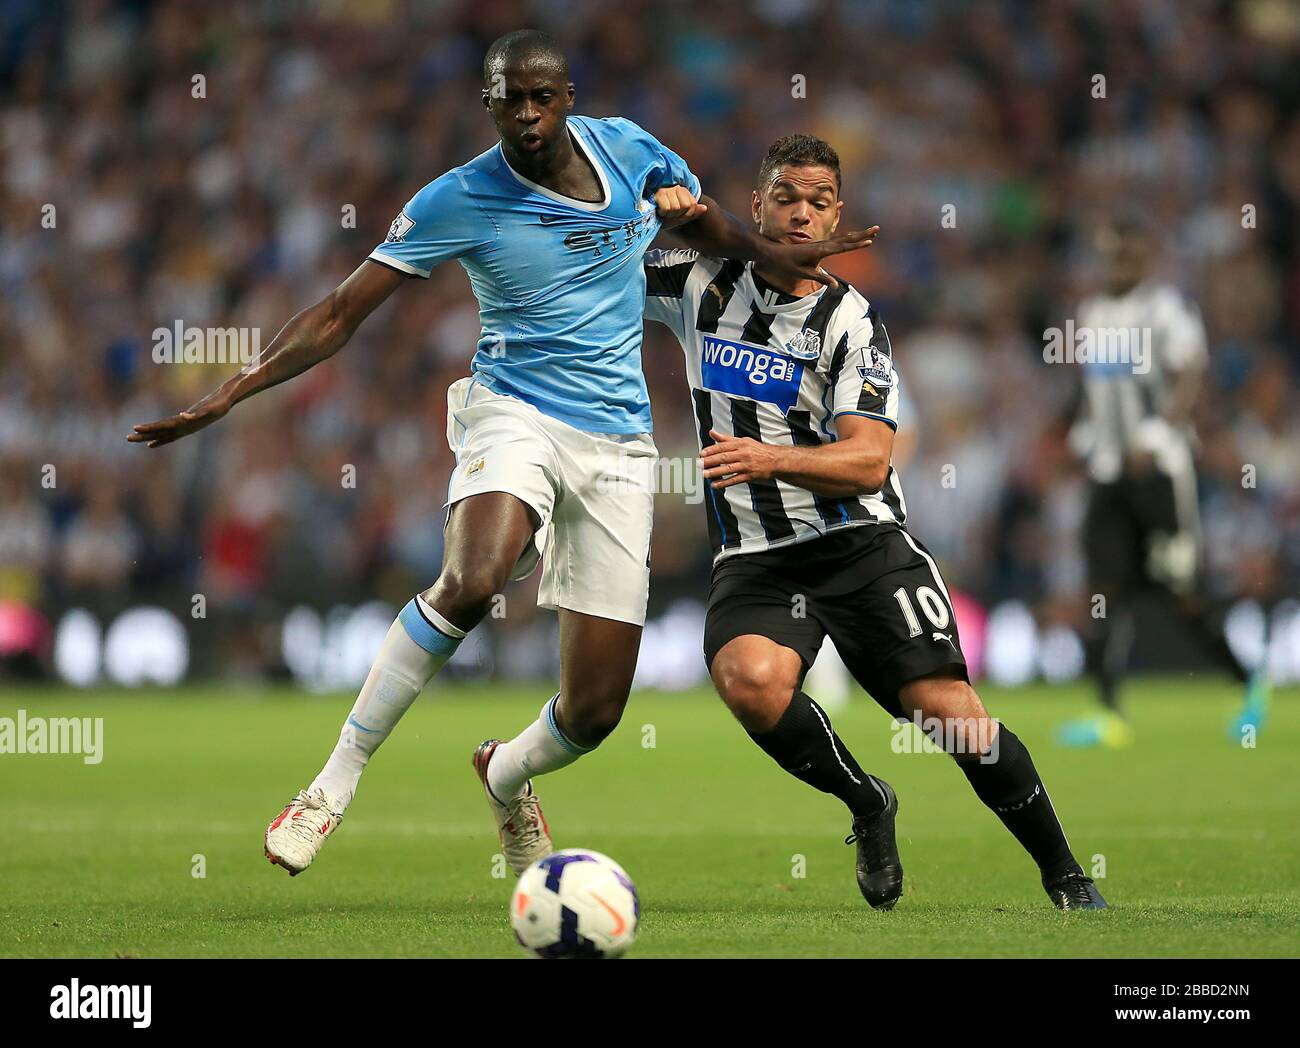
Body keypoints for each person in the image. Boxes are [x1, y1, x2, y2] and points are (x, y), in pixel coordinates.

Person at [128, 31, 876, 878]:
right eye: (508, 98)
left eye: (540, 96)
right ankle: (330, 786)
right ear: (486, 103)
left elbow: (715, 233)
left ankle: (507, 775)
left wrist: (776, 252)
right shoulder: (457, 199)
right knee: (474, 580)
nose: (525, 113)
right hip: (512, 410)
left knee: (594, 711)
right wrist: (233, 389)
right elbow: (340, 313)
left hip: (619, 444)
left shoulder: (632, 148)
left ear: (566, 96)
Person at [642, 133, 1106, 909]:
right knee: (749, 682)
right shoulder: (700, 282)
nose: (800, 215)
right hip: (758, 552)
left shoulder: (854, 322)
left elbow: (869, 462)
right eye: (784, 198)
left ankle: (1065, 873)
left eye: (819, 203)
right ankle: (868, 802)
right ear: (756, 206)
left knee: (951, 718)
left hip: (861, 544)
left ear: (837, 218)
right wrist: (655, 206)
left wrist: (769, 460)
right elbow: (596, 261)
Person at [1060, 217, 1266, 748]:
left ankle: (1249, 684)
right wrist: (1086, 434)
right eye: (1108, 254)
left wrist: (1153, 435)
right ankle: (1108, 712)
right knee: (1104, 590)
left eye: (1126, 254)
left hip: (1159, 472)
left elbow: (1190, 375)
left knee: (1181, 591)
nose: (1116, 264)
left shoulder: (1165, 309)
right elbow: (1095, 391)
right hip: (1109, 473)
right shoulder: (1092, 313)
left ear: (1145, 257)